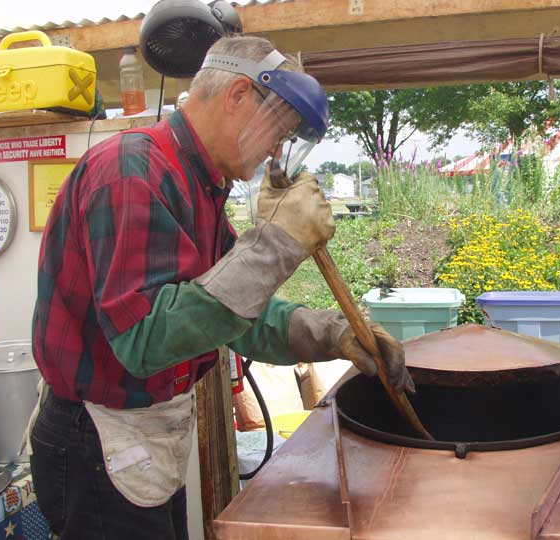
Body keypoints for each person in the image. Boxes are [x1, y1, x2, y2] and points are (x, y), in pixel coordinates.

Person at [28, 35, 414, 540]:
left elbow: (231, 314)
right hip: (96, 437)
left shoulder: (200, 183)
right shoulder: (131, 170)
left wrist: (336, 334)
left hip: (143, 434)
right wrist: (275, 244)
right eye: (282, 130)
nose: (278, 149)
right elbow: (145, 343)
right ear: (237, 97)